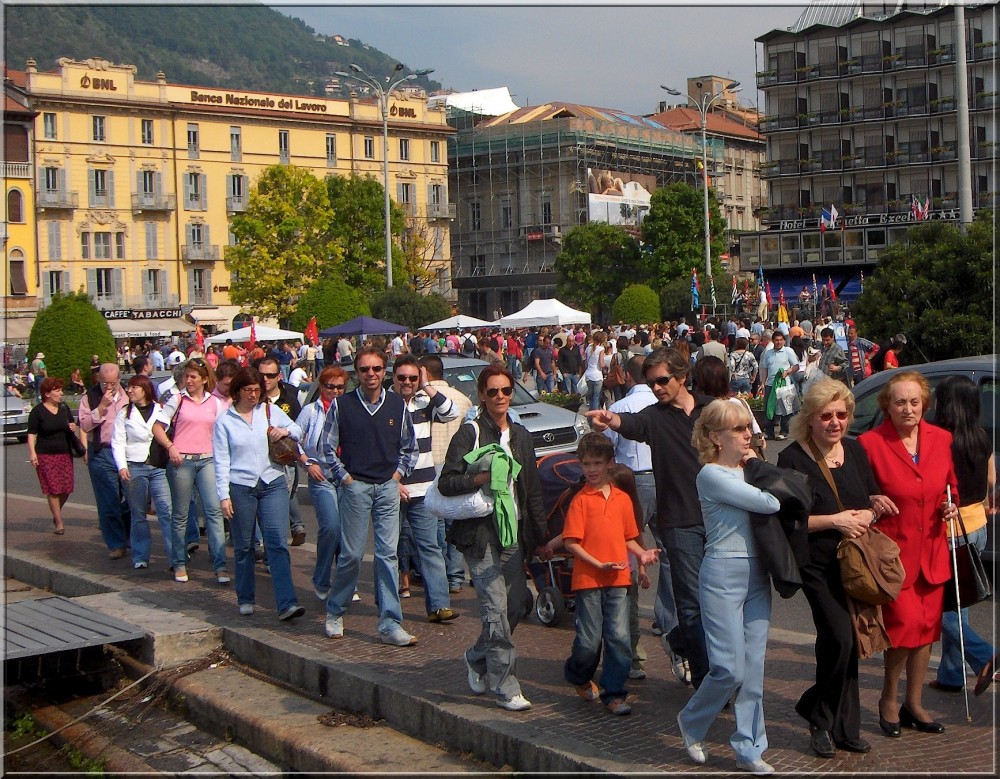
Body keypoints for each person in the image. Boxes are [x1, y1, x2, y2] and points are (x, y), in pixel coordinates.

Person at [777, 378, 893, 757]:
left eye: (842, 414)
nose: (835, 422)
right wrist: (836, 521)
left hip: (855, 562)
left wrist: (873, 509)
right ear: (809, 418)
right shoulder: (793, 458)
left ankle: (843, 727)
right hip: (817, 562)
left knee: (847, 644)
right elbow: (790, 521)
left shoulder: (857, 452)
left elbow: (868, 499)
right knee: (840, 636)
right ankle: (817, 713)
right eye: (825, 415)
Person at [586, 348, 713, 690]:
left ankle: (685, 646)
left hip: (719, 517)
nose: (656, 388)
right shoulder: (655, 417)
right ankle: (704, 681)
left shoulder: (710, 410)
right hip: (679, 519)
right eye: (650, 382)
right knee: (691, 602)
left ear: (682, 377)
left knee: (722, 600)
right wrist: (609, 419)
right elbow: (633, 424)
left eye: (662, 380)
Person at [676, 399, 780, 775]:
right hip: (722, 573)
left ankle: (750, 748)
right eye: (738, 429)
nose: (747, 433)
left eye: (747, 426)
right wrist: (762, 470)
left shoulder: (749, 468)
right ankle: (691, 720)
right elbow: (769, 502)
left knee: (754, 669)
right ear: (715, 437)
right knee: (728, 669)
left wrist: (757, 464)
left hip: (758, 575)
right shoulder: (711, 474)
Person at [437, 364, 548, 711]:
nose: (500, 397)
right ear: (481, 396)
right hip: (480, 534)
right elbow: (446, 482)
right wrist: (480, 478)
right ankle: (504, 684)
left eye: (506, 390)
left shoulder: (521, 436)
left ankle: (476, 657)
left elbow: (531, 490)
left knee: (515, 605)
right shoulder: (469, 433)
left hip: (512, 530)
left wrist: (542, 536)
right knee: (495, 607)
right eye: (493, 391)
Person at [859, 371, 960, 737]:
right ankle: (888, 699)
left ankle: (914, 702)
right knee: (901, 631)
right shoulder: (871, 443)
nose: (908, 409)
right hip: (893, 554)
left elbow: (951, 487)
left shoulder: (942, 439)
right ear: (887, 405)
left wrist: (952, 507)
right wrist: (870, 499)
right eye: (900, 402)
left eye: (914, 402)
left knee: (927, 632)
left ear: (925, 404)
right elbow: (858, 491)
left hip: (932, 552)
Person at [319, 346, 419, 646]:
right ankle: (335, 610)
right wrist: (345, 479)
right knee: (351, 554)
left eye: (376, 369)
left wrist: (397, 476)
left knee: (387, 555)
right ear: (357, 373)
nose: (371, 375)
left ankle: (390, 622)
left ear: (384, 371)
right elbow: (326, 447)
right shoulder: (342, 405)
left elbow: (409, 447)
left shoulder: (397, 405)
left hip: (387, 486)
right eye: (365, 370)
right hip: (356, 486)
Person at [561, 433, 659, 715]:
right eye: (586, 464)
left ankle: (614, 693)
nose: (591, 470)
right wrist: (596, 563)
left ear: (609, 464)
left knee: (619, 637)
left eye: (597, 463)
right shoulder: (581, 500)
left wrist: (641, 554)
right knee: (589, 641)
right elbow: (571, 542)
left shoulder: (622, 499)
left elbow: (628, 536)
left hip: (618, 579)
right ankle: (577, 674)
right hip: (588, 580)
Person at [214, 366, 305, 621]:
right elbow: (221, 460)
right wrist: (223, 495)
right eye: (248, 390)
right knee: (244, 546)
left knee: (276, 542)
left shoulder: (269, 411)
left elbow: (298, 430)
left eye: (257, 390)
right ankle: (245, 597)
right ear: (237, 391)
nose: (253, 395)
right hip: (241, 485)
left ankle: (287, 602)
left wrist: (285, 431)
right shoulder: (225, 420)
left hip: (272, 480)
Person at [603, 354, 678, 664]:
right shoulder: (666, 407)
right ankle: (667, 618)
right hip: (664, 477)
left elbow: (606, 448)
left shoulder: (619, 408)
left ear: (628, 377)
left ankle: (629, 629)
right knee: (670, 552)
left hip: (631, 480)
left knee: (627, 552)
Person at [930, 376, 997, 697]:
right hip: (977, 526)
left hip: (950, 528)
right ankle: (952, 673)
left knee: (939, 609)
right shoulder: (981, 438)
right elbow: (991, 479)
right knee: (961, 601)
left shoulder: (942, 439)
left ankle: (986, 655)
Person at [390, 355, 460, 622]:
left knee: (429, 547)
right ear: (393, 378)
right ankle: (388, 603)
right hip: (392, 487)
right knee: (390, 549)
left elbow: (451, 412)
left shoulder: (424, 401)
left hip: (422, 488)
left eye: (412, 378)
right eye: (402, 378)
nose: (407, 383)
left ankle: (438, 606)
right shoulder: (387, 403)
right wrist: (392, 481)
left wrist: (427, 386)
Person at [152, 357, 230, 584]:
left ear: (205, 379)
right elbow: (157, 427)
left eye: (193, 377)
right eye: (186, 376)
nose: (189, 381)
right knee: (181, 514)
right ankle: (178, 563)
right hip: (181, 461)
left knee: (214, 512)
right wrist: (170, 446)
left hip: (208, 460)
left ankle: (220, 565)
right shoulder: (177, 400)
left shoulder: (215, 403)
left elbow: (226, 428)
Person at [421, 354, 474, 594]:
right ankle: (455, 576)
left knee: (433, 526)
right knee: (454, 522)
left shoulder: (423, 399)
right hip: (455, 466)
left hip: (428, 465)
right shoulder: (463, 399)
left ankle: (439, 575)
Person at [112, 374, 174, 570]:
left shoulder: (160, 410)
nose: (129, 391)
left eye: (134, 387)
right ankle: (140, 555)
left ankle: (176, 556)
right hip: (134, 465)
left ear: (145, 390)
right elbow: (118, 441)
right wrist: (122, 466)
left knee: (166, 510)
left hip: (158, 465)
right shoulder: (124, 413)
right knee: (138, 512)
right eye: (128, 388)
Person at [299, 365, 348, 602]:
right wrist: (308, 462)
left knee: (347, 532)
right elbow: (294, 439)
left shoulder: (348, 409)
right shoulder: (311, 410)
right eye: (330, 387)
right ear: (321, 387)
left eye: (340, 387)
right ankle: (321, 578)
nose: (335, 391)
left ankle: (344, 581)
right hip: (323, 477)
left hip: (347, 477)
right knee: (330, 527)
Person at [79, 362, 132, 558]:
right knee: (108, 500)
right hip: (102, 451)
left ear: (119, 379)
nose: (108, 387)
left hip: (127, 452)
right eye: (104, 383)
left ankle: (125, 531)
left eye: (112, 383)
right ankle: (116, 544)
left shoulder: (129, 394)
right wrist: (101, 407)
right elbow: (84, 425)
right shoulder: (90, 398)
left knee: (136, 497)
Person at [259, 356, 305, 546]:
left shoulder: (290, 400)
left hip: (284, 459)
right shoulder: (253, 399)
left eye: (270, 375)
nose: (265, 380)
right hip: (259, 461)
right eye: (261, 375)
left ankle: (279, 540)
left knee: (281, 498)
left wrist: (286, 432)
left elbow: (300, 430)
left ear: (279, 376)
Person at [27, 377, 78, 535]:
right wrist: (32, 453)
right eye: (57, 391)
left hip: (64, 452)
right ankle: (58, 521)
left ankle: (56, 511)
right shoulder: (38, 411)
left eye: (61, 390)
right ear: (47, 394)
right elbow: (31, 434)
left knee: (66, 488)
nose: (61, 393)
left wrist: (72, 425)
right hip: (45, 454)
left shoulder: (63, 408)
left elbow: (71, 424)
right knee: (53, 489)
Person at [759, 331, 799, 440]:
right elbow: (764, 369)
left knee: (785, 409)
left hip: (784, 383)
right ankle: (769, 432)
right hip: (770, 384)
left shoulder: (788, 351)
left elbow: (796, 366)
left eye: (781, 340)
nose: (779, 342)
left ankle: (784, 432)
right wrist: (763, 382)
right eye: (776, 340)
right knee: (769, 408)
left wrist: (788, 371)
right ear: (773, 341)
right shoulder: (768, 353)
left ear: (784, 341)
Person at [583, 331, 607, 411]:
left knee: (591, 397)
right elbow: (601, 363)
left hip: (589, 375)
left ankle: (590, 416)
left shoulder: (588, 348)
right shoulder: (601, 349)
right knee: (596, 398)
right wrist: (607, 367)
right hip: (597, 375)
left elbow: (586, 364)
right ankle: (595, 416)